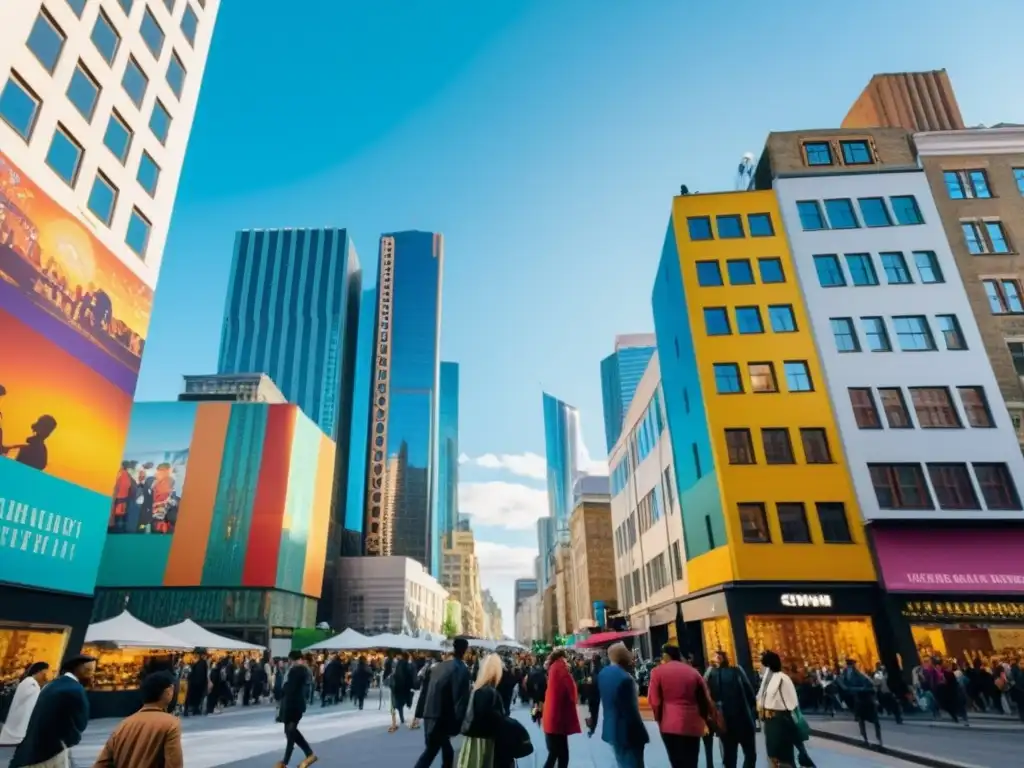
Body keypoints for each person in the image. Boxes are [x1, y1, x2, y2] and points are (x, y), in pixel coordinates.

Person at [10, 655, 94, 768]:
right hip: (51, 753)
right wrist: (68, 741)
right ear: (79, 669)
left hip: (29, 751)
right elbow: (80, 723)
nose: (92, 675)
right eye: (89, 670)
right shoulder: (75, 690)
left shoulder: (52, 685)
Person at [92, 672, 183, 768]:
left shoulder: (123, 725)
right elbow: (174, 765)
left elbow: (101, 764)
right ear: (169, 692)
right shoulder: (171, 724)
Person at [648, 644, 711, 768]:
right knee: (692, 761)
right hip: (693, 722)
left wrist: (658, 719)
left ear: (666, 656)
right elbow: (705, 698)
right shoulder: (693, 672)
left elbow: (654, 701)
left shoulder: (657, 672)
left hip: (669, 723)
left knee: (676, 761)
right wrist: (704, 719)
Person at [413, 637, 472, 768]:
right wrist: (461, 722)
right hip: (442, 717)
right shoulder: (461, 669)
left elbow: (425, 691)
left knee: (444, 751)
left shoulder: (438, 667)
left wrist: (419, 713)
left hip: (430, 714)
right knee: (432, 752)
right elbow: (460, 697)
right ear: (465, 651)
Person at [757, 650, 814, 768]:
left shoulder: (782, 678)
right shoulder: (766, 680)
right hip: (770, 723)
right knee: (773, 756)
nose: (760, 667)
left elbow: (792, 703)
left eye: (762, 663)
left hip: (781, 720)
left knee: (784, 757)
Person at [595, 642, 649, 768]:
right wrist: (640, 735)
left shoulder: (604, 673)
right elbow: (630, 711)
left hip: (612, 729)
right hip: (627, 733)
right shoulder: (625, 679)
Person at [458, 653, 514, 768]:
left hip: (474, 738)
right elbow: (492, 718)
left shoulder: (478, 689)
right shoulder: (489, 692)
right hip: (485, 740)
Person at [705, 650, 758, 768]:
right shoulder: (737, 671)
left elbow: (706, 696)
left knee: (729, 756)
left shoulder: (711, 674)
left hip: (724, 721)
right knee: (749, 754)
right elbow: (749, 693)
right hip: (743, 718)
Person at [275, 651, 318, 768]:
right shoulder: (303, 670)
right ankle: (309, 754)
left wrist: (283, 687)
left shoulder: (296, 670)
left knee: (290, 732)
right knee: (291, 732)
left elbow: (289, 688)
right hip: (295, 705)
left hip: (292, 705)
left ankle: (285, 762)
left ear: (293, 659)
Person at [541, 649, 581, 768]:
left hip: (552, 717)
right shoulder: (560, 667)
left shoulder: (553, 667)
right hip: (557, 719)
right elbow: (572, 692)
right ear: (563, 657)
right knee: (561, 754)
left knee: (555, 753)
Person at [0, 662, 49, 746]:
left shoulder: (32, 683)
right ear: (38, 672)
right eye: (44, 673)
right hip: (19, 717)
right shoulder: (30, 682)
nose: (44, 676)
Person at [837, 658, 882, 748]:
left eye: (850, 665)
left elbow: (871, 687)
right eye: (848, 665)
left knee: (874, 721)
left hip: (867, 700)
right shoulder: (846, 675)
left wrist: (858, 689)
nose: (849, 668)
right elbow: (844, 686)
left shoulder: (861, 675)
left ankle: (879, 740)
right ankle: (865, 740)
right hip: (859, 700)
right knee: (861, 720)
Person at [389, 651, 415, 731]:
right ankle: (401, 718)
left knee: (394, 704)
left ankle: (395, 721)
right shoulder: (405, 664)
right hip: (403, 687)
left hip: (397, 686)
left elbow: (398, 675)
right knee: (399, 704)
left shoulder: (400, 664)